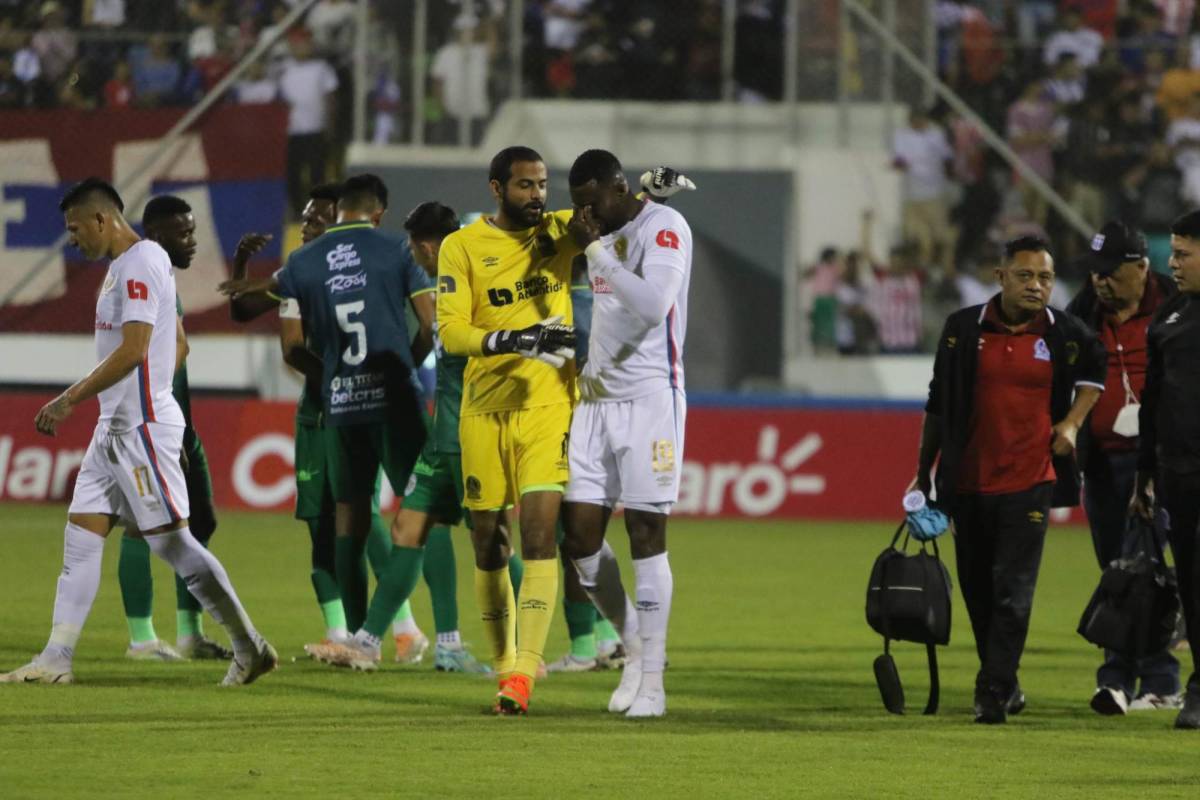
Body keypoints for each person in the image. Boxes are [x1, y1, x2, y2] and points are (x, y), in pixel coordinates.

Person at [0, 179, 275, 686]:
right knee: (81, 537)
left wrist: (70, 400)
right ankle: (56, 658)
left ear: (102, 220)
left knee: (174, 546)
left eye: (75, 228)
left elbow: (134, 350)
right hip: (118, 429)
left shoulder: (144, 260)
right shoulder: (120, 270)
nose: (73, 239)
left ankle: (249, 644)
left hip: (141, 429)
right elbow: (176, 348)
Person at [913, 235, 1106, 724]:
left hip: (1030, 483)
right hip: (968, 483)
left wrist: (1072, 423)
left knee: (1014, 592)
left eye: (1044, 277)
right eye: (1025, 276)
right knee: (978, 591)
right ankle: (1006, 680)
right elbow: (937, 404)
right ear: (1000, 277)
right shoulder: (961, 330)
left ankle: (992, 691)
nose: (1037, 286)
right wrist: (923, 472)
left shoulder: (1064, 332)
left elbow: (1096, 366)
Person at [303, 200, 501, 674]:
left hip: (472, 435)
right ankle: (377, 641)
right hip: (442, 434)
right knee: (408, 528)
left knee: (492, 540)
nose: (411, 256)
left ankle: (518, 652)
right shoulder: (446, 282)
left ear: (426, 246)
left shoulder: (474, 282)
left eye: (413, 247)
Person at [436, 145, 579, 714]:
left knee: (540, 533)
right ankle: (503, 663)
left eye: (543, 184)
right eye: (524, 186)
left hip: (548, 406)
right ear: (497, 189)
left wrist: (645, 194)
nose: (537, 196)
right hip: (484, 409)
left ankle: (521, 677)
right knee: (488, 540)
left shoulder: (558, 233)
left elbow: (609, 215)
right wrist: (515, 340)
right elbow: (452, 332)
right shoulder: (462, 246)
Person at [273, 174, 435, 648]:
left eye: (317, 217)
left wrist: (337, 376)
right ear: (379, 212)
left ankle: (368, 638)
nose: (307, 227)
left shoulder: (300, 264)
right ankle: (426, 635)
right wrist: (404, 367)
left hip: (341, 402)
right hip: (395, 399)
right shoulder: (400, 251)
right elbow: (430, 323)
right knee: (425, 509)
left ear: (337, 211)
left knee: (349, 517)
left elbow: (291, 348)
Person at [560, 149, 693, 718]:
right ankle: (634, 644)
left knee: (645, 530)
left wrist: (594, 251)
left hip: (650, 398)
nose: (586, 216)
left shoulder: (664, 226)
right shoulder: (600, 225)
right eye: (579, 207)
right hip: (593, 400)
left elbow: (653, 305)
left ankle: (655, 684)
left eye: (593, 204)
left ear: (618, 188)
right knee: (580, 537)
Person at [1066, 221, 1181, 715]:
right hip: (1103, 461)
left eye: (1110, 272)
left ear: (1140, 268)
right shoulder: (1080, 313)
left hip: (1161, 460)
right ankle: (1146, 679)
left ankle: (1129, 678)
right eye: (1095, 272)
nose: (1100, 282)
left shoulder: (1180, 305)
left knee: (1140, 569)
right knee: (1117, 568)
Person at [116, 194, 234, 663]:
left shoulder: (163, 279)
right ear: (157, 236)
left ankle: (190, 634)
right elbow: (135, 355)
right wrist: (156, 428)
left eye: (192, 230)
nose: (192, 241)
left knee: (198, 523)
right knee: (136, 527)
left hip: (176, 426)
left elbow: (176, 349)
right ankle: (141, 639)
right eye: (183, 233)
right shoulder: (136, 274)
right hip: (145, 427)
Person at [1133, 209, 1200, 730]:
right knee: (1193, 585)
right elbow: (1152, 403)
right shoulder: (1170, 320)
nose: (1171, 263)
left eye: (1182, 254)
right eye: (1172, 253)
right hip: (1181, 475)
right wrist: (1143, 476)